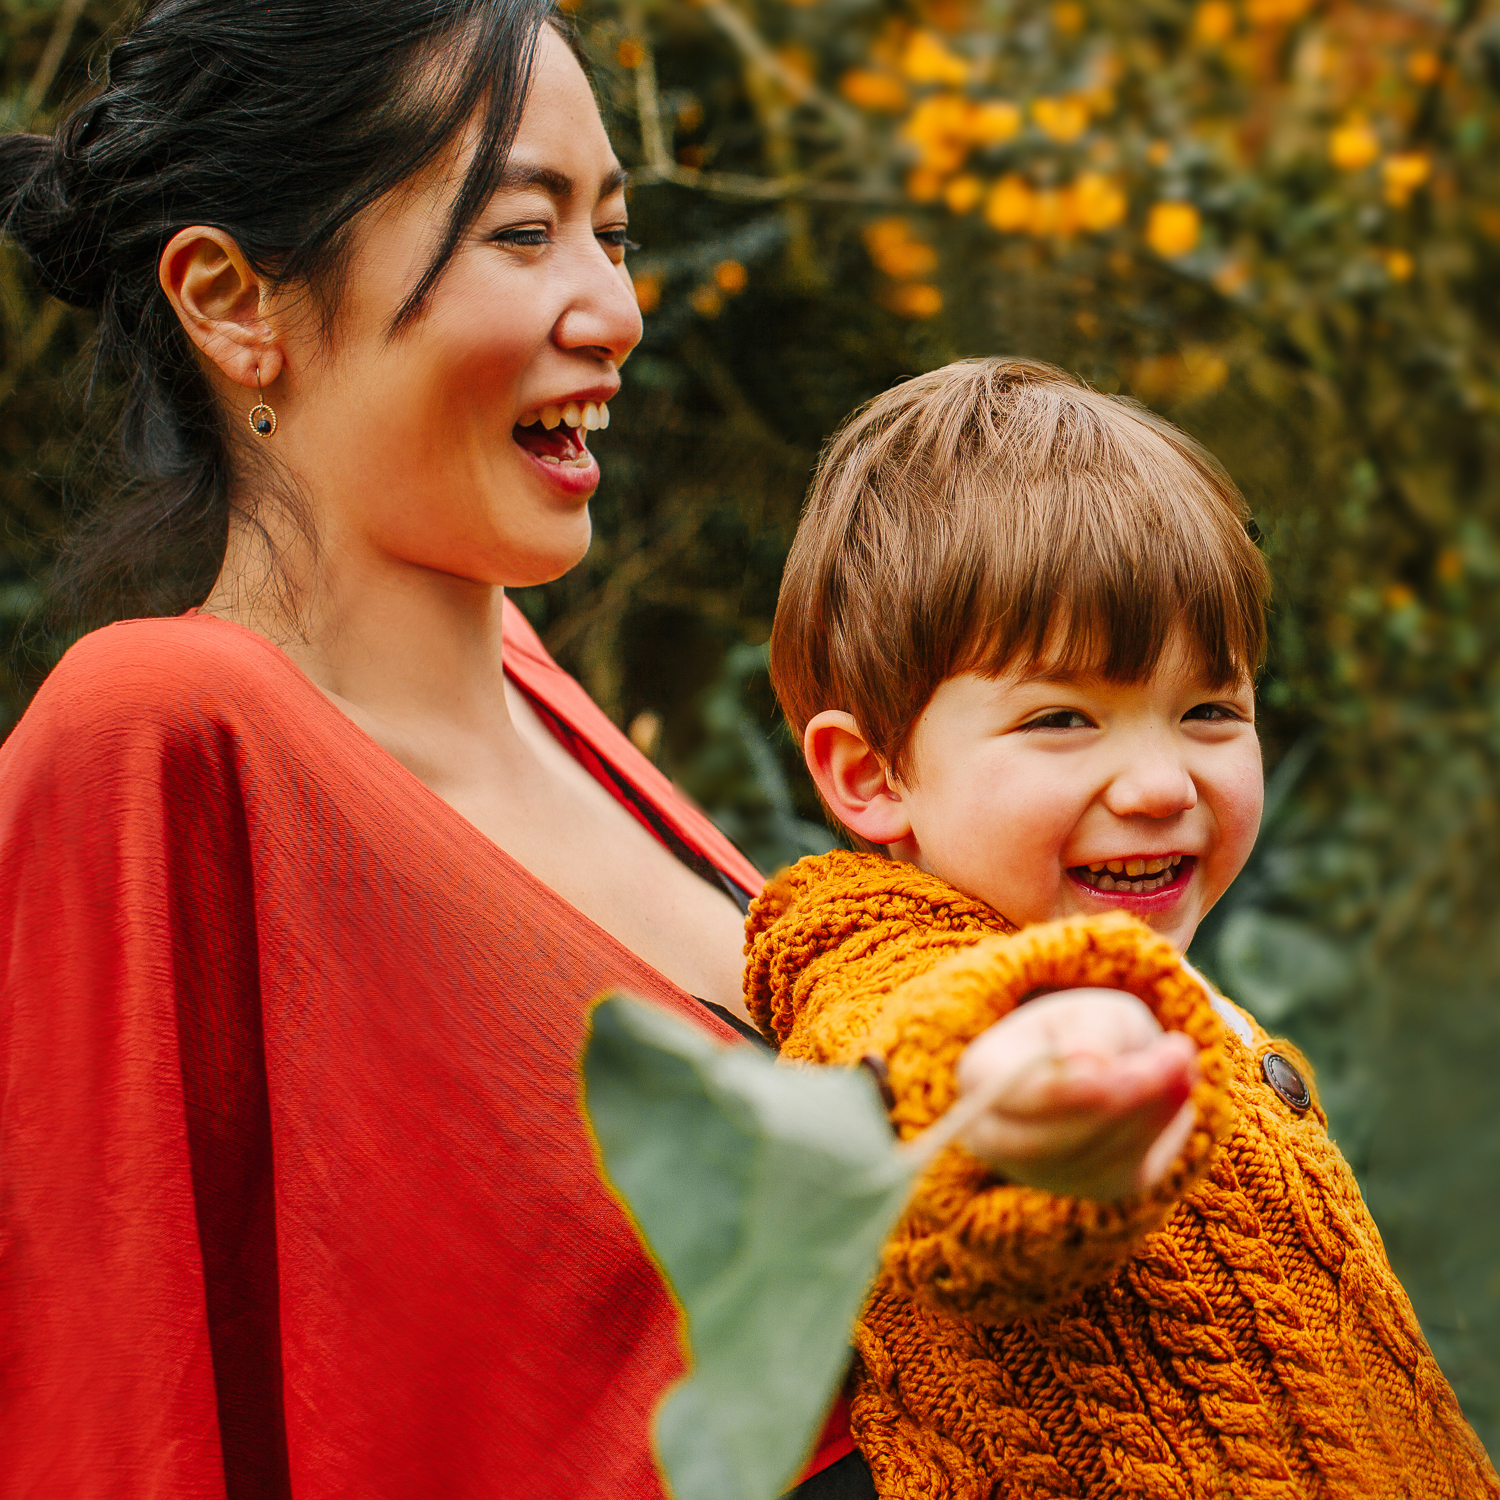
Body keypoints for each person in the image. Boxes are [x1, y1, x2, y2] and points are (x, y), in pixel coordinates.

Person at [0, 3, 870, 1495]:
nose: (614, 309)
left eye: (615, 232)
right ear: (229, 301)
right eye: (521, 235)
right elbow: (103, 1407)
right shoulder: (159, 739)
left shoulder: (543, 693)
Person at [747, 358, 1500, 1497]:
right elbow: (917, 1071)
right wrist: (1030, 1097)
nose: (1160, 783)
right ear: (872, 775)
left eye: (1209, 710)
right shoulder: (888, 958)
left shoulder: (1142, 966)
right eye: (1062, 718)